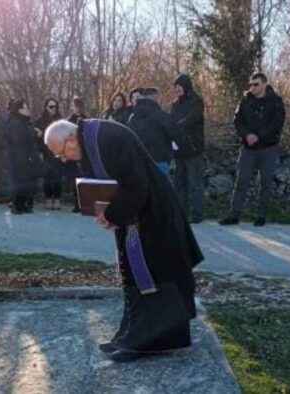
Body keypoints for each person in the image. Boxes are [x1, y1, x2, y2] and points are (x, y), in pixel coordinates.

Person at [44, 118, 203, 363]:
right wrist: (105, 211)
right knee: (134, 275)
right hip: (136, 219)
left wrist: (111, 215)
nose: (63, 159)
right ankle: (130, 335)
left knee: (153, 279)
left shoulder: (106, 139)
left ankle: (150, 342)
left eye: (61, 153)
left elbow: (135, 186)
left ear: (70, 139)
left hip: (153, 217)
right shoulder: (92, 139)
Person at [220, 73, 286, 227]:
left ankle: (261, 216)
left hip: (268, 147)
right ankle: (234, 215)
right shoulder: (245, 100)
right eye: (251, 84)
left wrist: (258, 135)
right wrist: (246, 135)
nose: (252, 87)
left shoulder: (275, 101)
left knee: (265, 183)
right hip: (248, 148)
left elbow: (277, 123)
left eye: (256, 84)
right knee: (241, 181)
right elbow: (237, 121)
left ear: (264, 84)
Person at [127, 88, 191, 178]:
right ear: (156, 98)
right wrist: (187, 148)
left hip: (139, 163)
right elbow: (178, 135)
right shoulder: (161, 116)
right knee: (162, 185)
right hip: (160, 161)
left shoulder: (132, 118)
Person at [171, 75, 206, 223]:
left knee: (195, 183)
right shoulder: (175, 104)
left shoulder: (196, 101)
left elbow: (193, 118)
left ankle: (197, 214)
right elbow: (171, 120)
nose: (177, 89)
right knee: (180, 183)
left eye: (179, 86)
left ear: (186, 86)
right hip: (179, 149)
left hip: (193, 148)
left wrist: (177, 126)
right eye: (176, 87)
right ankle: (182, 213)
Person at [5, 98, 43, 214]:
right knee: (19, 181)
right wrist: (33, 134)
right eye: (26, 108)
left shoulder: (25, 122)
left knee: (26, 181)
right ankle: (16, 204)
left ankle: (23, 204)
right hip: (17, 157)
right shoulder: (15, 122)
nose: (28, 110)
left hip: (26, 156)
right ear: (19, 110)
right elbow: (19, 139)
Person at [34, 97, 64, 210]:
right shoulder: (39, 121)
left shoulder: (60, 121)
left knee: (57, 177)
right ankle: (48, 198)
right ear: (46, 107)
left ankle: (57, 199)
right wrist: (39, 151)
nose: (53, 109)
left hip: (57, 152)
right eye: (51, 107)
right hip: (45, 152)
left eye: (55, 107)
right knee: (47, 177)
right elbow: (35, 139)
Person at [66, 96, 87, 213]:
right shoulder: (69, 120)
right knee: (74, 178)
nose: (77, 108)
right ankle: (76, 203)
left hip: (83, 152)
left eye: (78, 106)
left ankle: (83, 203)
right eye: (74, 106)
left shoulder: (85, 119)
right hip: (72, 151)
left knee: (82, 177)